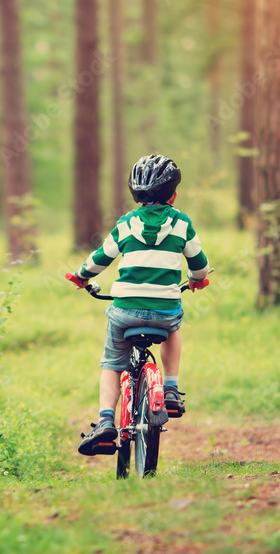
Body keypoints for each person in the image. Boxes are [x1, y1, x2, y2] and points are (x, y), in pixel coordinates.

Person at [66, 154, 211, 456]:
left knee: (111, 363)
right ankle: (170, 388)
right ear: (173, 193)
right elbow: (199, 264)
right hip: (165, 309)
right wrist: (197, 280)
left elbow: (100, 259)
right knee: (174, 328)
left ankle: (106, 421)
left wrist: (81, 276)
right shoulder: (182, 223)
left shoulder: (126, 223)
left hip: (125, 310)